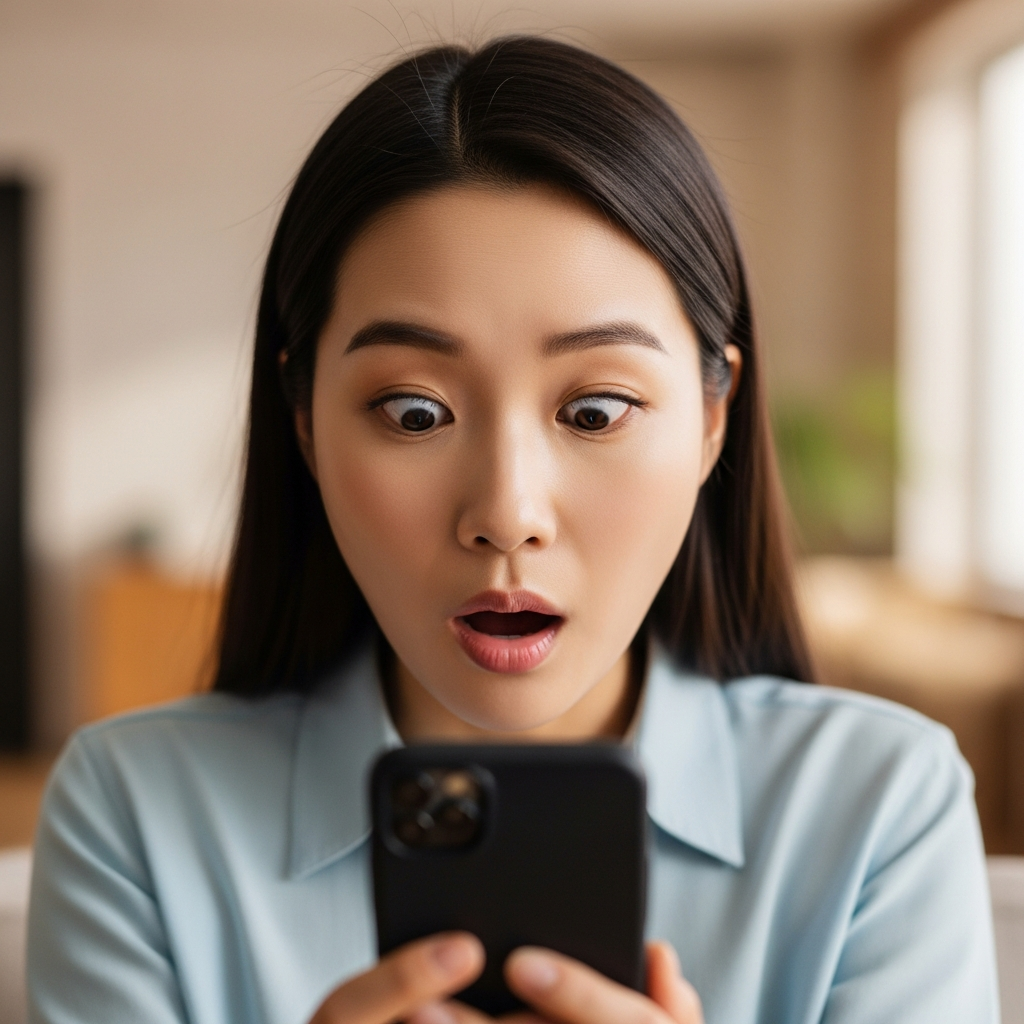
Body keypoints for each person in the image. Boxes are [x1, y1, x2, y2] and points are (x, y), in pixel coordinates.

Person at [27, 36, 998, 1024]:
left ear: (712, 420)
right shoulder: (135, 814)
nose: (506, 513)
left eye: (594, 411)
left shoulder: (878, 808)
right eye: (413, 412)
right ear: (306, 422)